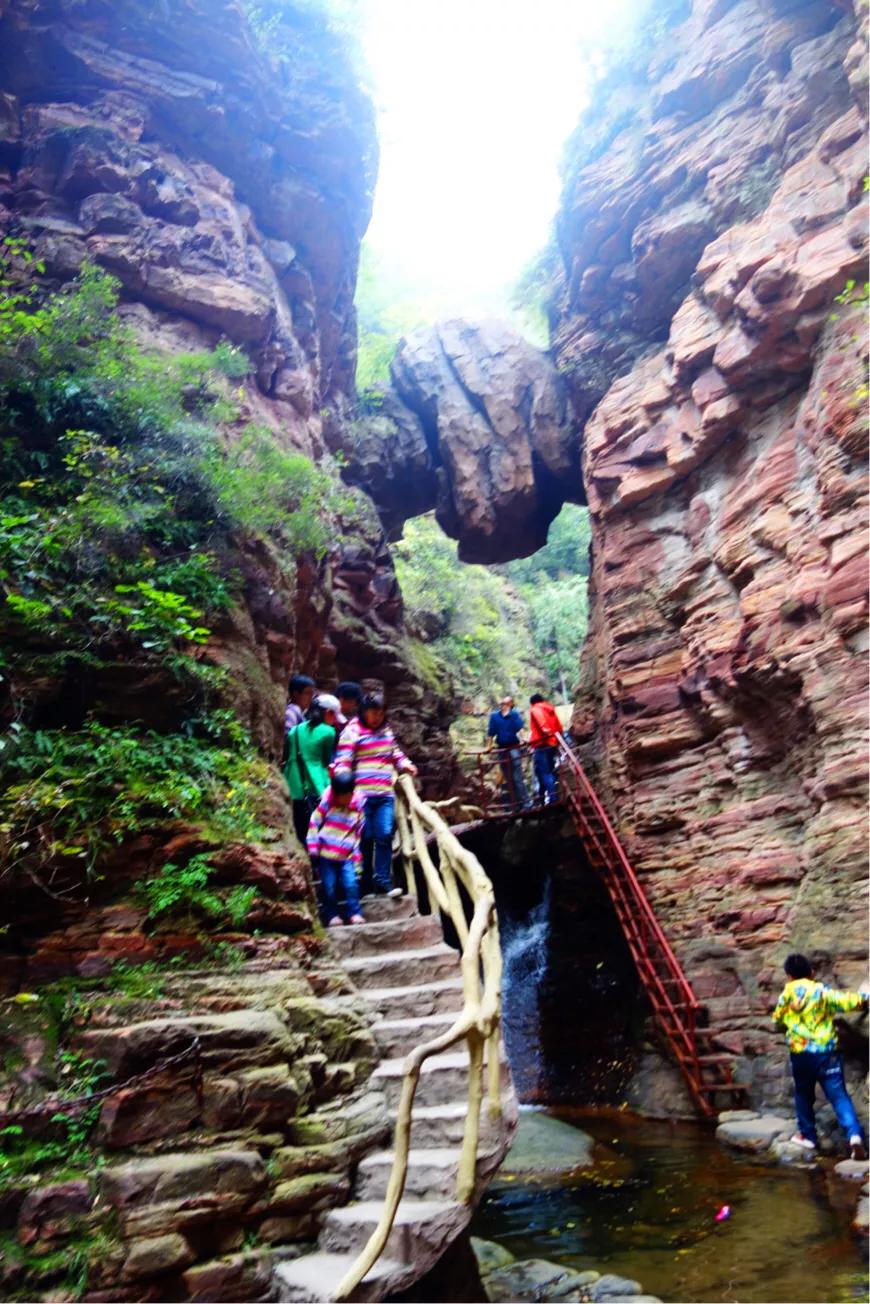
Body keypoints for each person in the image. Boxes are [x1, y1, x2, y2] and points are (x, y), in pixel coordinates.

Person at [772, 953, 868, 1159]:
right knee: (839, 1096)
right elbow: (846, 1001)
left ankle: (808, 1136)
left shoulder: (786, 996)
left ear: (788, 976)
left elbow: (777, 1019)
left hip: (801, 1054)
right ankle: (854, 1137)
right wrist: (864, 999)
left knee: (803, 1095)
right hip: (827, 1053)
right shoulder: (820, 991)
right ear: (812, 973)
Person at [334, 691, 417, 898]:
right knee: (365, 837)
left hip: (385, 795)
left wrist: (405, 764)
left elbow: (394, 752)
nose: (377, 717)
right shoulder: (352, 730)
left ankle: (383, 881)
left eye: (381, 713)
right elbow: (343, 759)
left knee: (385, 834)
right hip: (362, 796)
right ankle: (364, 884)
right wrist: (342, 780)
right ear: (364, 711)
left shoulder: (386, 730)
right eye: (373, 713)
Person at [306, 768, 365, 927]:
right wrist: (313, 847)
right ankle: (331, 915)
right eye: (342, 796)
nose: (345, 799)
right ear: (336, 794)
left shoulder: (357, 810)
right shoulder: (327, 806)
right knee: (329, 887)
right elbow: (314, 822)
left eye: (348, 795)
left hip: (346, 856)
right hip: (326, 855)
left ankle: (355, 912)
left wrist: (357, 855)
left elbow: (357, 833)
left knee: (351, 884)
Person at [284, 693, 341, 845]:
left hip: (291, 785)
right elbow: (324, 761)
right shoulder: (329, 732)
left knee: (299, 829)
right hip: (315, 785)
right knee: (317, 831)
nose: (335, 721)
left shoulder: (294, 731)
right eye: (334, 716)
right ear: (328, 713)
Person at [487, 695, 529, 810]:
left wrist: (523, 738)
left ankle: (526, 803)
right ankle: (515, 805)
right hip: (502, 748)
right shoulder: (494, 716)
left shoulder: (514, 714)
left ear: (510, 704)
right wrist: (489, 747)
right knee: (508, 778)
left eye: (506, 703)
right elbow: (490, 733)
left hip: (514, 746)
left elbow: (519, 728)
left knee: (517, 777)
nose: (503, 704)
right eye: (502, 703)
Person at [528, 692, 563, 805]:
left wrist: (546, 731)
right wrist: (557, 740)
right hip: (552, 743)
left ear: (532, 703)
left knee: (544, 772)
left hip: (541, 744)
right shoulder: (550, 709)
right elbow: (559, 726)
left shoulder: (535, 709)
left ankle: (552, 798)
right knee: (549, 770)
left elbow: (540, 719)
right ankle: (542, 798)